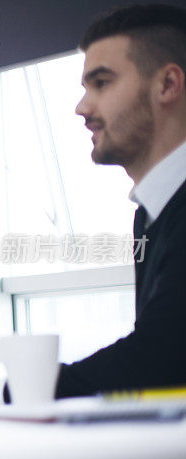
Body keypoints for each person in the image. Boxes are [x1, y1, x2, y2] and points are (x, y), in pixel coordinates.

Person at [54, 4, 186, 397]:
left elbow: (166, 355)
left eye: (102, 83)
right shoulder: (150, 213)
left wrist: (40, 386)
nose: (82, 108)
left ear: (167, 85)